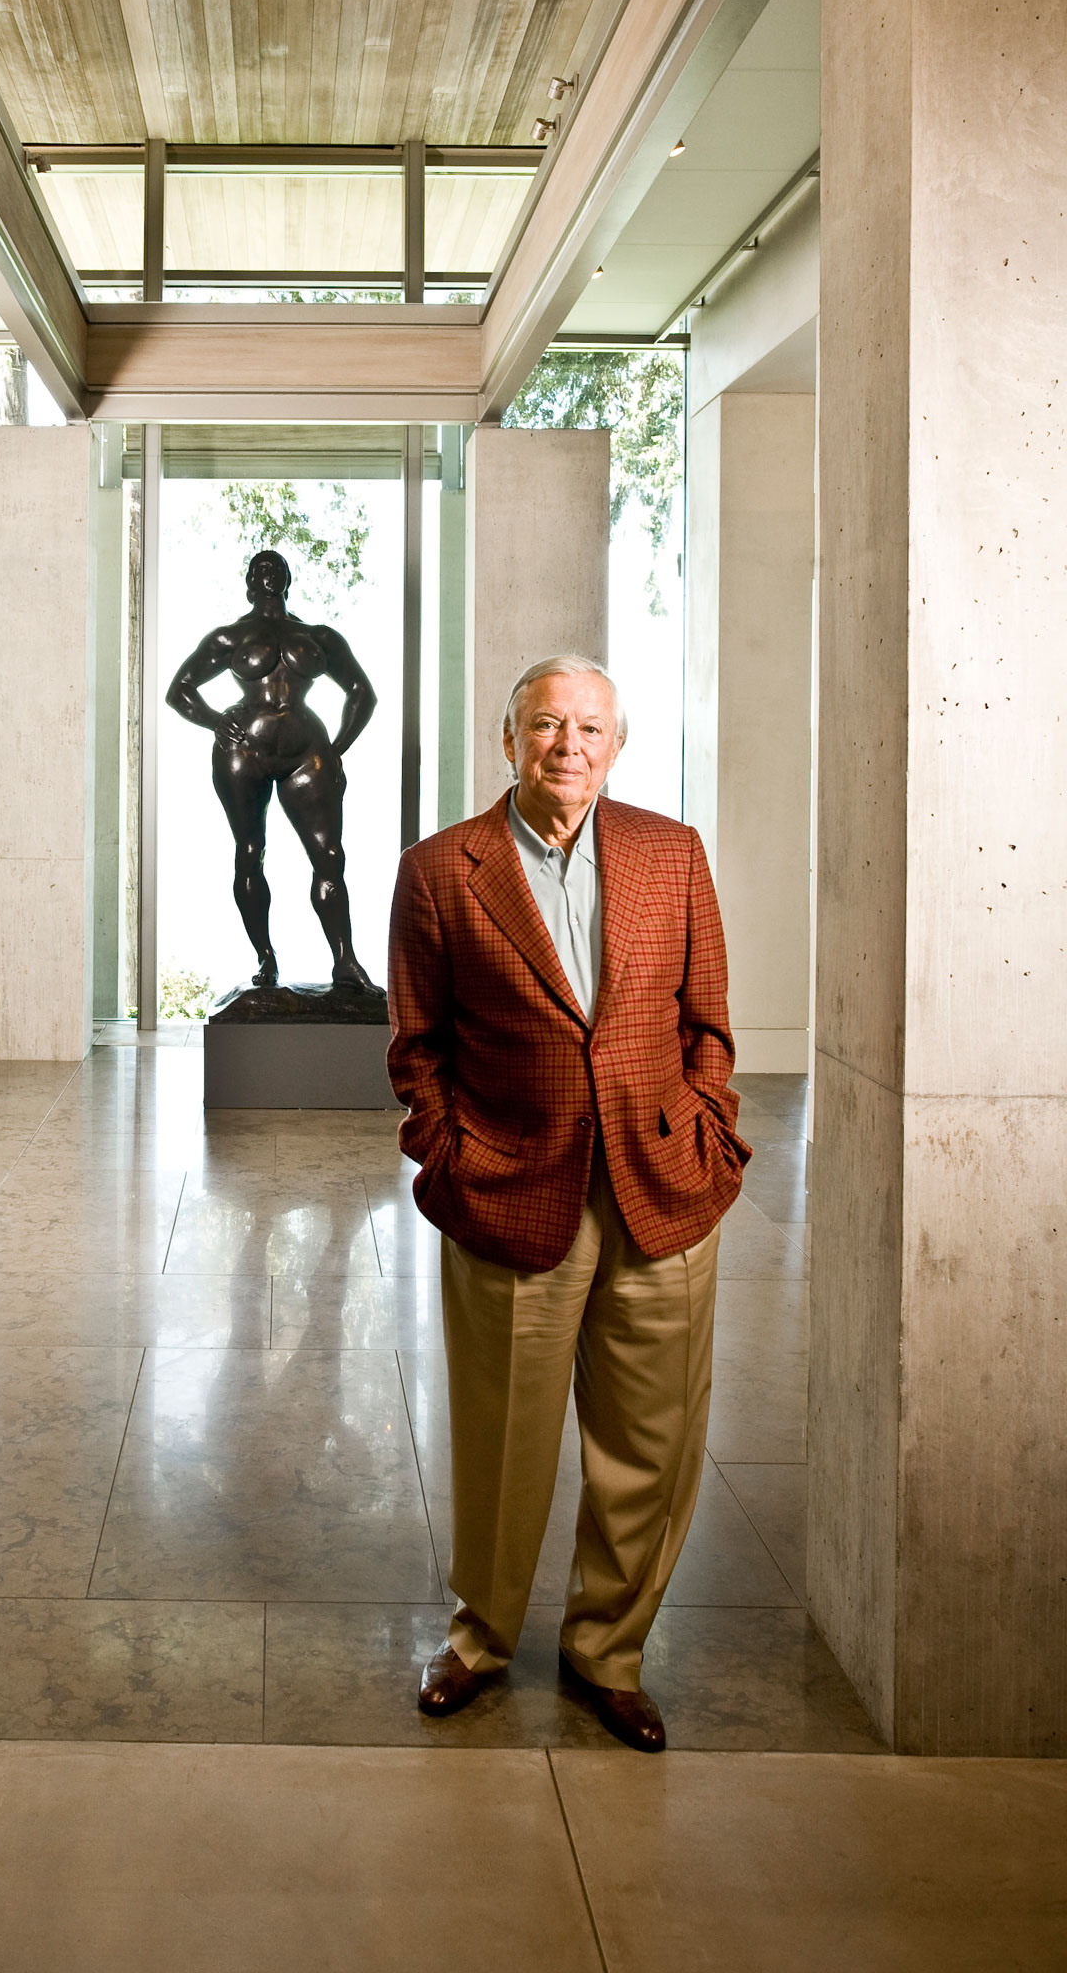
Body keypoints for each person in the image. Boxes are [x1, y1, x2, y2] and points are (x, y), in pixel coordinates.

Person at [387, 652, 750, 1748]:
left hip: (661, 1186)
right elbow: (417, 1045)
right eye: (545, 726)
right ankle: (481, 1639)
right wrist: (447, 1157)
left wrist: (709, 1131)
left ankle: (608, 1652)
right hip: (508, 1189)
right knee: (502, 1436)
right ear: (508, 742)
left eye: (590, 729)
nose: (568, 747)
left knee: (651, 1439)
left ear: (618, 744)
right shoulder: (441, 870)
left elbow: (709, 1023)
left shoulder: (670, 853)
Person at [166, 548, 380, 990]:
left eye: (275, 566)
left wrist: (338, 748)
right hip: (243, 750)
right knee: (250, 850)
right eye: (259, 567)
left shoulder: (318, 635)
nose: (267, 571)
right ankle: (265, 958)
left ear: (287, 578)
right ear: (249, 581)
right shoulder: (229, 636)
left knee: (330, 857)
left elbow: (362, 692)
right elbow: (180, 690)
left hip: (308, 750)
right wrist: (214, 720)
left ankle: (345, 962)